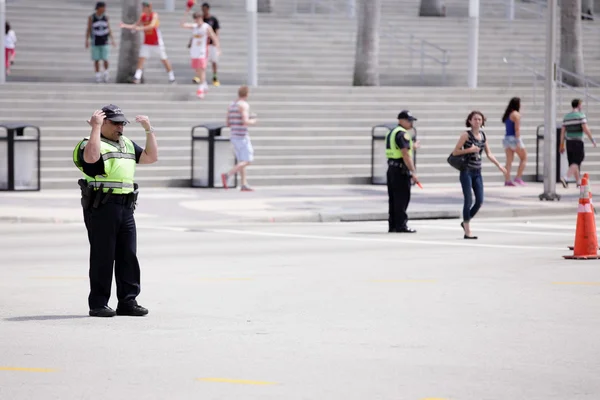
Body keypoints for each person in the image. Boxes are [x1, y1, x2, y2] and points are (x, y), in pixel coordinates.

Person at [72, 104, 159, 317]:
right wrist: (95, 128)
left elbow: (150, 157)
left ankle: (128, 301)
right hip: (102, 206)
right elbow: (91, 159)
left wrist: (149, 130)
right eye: (116, 123)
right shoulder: (90, 143)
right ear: (104, 123)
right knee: (103, 256)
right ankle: (98, 303)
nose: (120, 127)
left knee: (128, 255)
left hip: (126, 207)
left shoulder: (126, 143)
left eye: (123, 123)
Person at [451, 111, 507, 239]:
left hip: (477, 172)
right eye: (475, 119)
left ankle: (465, 220)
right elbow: (455, 152)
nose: (477, 121)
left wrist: (499, 166)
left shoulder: (483, 135)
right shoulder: (466, 135)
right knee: (468, 200)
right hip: (466, 171)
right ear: (470, 121)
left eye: (479, 119)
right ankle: (467, 231)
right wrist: (469, 150)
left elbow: (489, 154)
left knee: (480, 201)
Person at [120, 1, 176, 84]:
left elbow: (152, 25)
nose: (143, 9)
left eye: (144, 7)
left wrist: (140, 29)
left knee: (164, 59)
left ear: (149, 7)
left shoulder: (154, 15)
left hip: (156, 42)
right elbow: (136, 25)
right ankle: (137, 77)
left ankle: (172, 77)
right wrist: (125, 25)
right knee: (141, 59)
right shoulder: (143, 16)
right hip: (147, 42)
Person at [385, 110, 421, 233]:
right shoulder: (402, 134)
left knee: (394, 199)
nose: (411, 123)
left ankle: (393, 225)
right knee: (402, 198)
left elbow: (401, 148)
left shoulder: (392, 132)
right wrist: (413, 172)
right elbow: (405, 155)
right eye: (409, 120)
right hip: (400, 170)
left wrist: (412, 146)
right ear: (401, 120)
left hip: (392, 168)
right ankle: (401, 225)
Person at [221, 85, 256, 192]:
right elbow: (245, 121)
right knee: (248, 160)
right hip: (242, 136)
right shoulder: (243, 105)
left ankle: (244, 184)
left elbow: (227, 123)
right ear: (247, 94)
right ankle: (227, 175)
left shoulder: (231, 105)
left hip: (234, 135)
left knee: (241, 160)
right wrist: (253, 120)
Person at [180, 10, 220, 98]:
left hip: (202, 51)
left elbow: (214, 37)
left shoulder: (206, 27)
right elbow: (182, 25)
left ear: (201, 18)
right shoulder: (194, 27)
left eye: (198, 18)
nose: (196, 21)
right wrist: (186, 12)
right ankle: (204, 84)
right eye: (195, 19)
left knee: (201, 69)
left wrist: (218, 49)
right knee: (197, 70)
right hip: (194, 51)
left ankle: (200, 88)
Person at [559, 98, 597, 188]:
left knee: (573, 162)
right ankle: (566, 177)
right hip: (578, 141)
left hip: (569, 142)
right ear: (579, 105)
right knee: (578, 160)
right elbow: (585, 129)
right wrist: (592, 140)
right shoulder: (581, 115)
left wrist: (561, 144)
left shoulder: (566, 117)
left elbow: (563, 132)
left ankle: (578, 182)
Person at [85, 2, 116, 83]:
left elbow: (109, 28)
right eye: (103, 7)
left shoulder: (106, 17)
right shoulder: (91, 17)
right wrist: (87, 40)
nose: (105, 9)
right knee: (96, 59)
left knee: (105, 58)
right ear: (99, 8)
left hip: (105, 41)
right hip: (95, 41)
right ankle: (98, 75)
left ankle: (106, 73)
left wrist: (112, 40)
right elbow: (88, 29)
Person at [501, 97, 527, 186]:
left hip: (506, 139)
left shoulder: (508, 114)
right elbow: (517, 129)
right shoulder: (516, 114)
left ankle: (507, 180)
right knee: (524, 158)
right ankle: (518, 177)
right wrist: (518, 141)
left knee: (509, 161)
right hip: (514, 139)